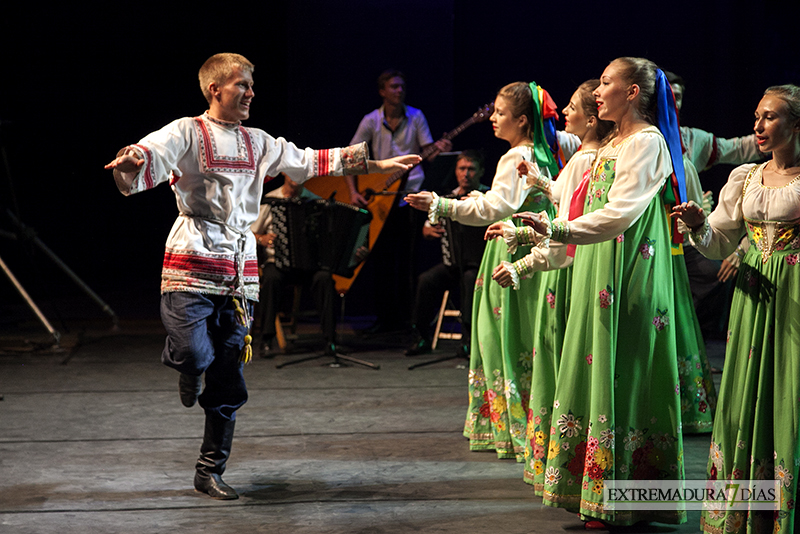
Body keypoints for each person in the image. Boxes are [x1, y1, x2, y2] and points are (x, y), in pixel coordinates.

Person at [104, 53, 419, 501]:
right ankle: (187, 365)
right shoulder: (187, 131)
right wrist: (133, 158)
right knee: (195, 353)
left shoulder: (259, 141)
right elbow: (150, 154)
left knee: (229, 371)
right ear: (215, 89)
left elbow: (308, 162)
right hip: (192, 257)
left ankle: (209, 469)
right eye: (242, 85)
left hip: (238, 266)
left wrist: (377, 164)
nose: (251, 92)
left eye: (252, 86)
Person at [512, 58, 688, 527]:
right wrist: (548, 224)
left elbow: (620, 212)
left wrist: (558, 227)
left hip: (627, 270)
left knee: (624, 371)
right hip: (596, 267)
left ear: (632, 92)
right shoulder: (611, 144)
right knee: (597, 368)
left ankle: (626, 497)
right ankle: (596, 491)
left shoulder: (647, 143)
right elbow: (583, 200)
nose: (597, 92)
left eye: (606, 83)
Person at [406, 81, 579, 461]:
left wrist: (441, 204)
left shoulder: (515, 155)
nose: (493, 120)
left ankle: (513, 428)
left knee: (504, 339)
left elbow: (495, 209)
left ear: (521, 119)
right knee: (536, 339)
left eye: (500, 113)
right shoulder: (555, 148)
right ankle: (543, 423)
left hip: (513, 250)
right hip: (543, 251)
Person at [673, 84, 800, 534]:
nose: (758, 126)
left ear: (796, 124)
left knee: (790, 389)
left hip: (794, 296)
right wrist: (696, 226)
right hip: (752, 297)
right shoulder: (745, 177)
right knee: (747, 389)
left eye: (770, 117)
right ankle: (750, 505)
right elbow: (719, 241)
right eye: (757, 117)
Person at [487, 79, 615, 489]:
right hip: (580, 264)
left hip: (579, 271)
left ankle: (579, 468)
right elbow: (567, 212)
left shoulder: (588, 158)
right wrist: (541, 185)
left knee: (565, 360)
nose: (563, 114)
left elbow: (567, 233)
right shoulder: (588, 156)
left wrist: (523, 259)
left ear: (593, 117)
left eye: (573, 108)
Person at [346, 70, 452, 333]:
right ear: (382, 91)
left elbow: (428, 153)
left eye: (402, 86)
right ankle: (384, 318)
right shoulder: (371, 120)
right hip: (381, 198)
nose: (399, 91)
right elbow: (349, 157)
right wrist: (352, 192)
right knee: (381, 259)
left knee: (408, 260)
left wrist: (439, 150)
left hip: (410, 197)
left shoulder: (416, 116)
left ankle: (408, 319)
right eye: (393, 87)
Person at [405, 150, 489, 357]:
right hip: (453, 263)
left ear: (480, 172)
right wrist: (428, 230)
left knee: (470, 280)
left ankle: (468, 341)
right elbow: (428, 225)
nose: (466, 174)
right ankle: (421, 337)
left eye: (471, 169)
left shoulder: (488, 197)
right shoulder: (447, 198)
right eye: (462, 169)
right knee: (426, 280)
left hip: (480, 265)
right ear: (456, 171)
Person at [251, 175, 337, 357]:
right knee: (271, 279)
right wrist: (262, 239)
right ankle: (266, 339)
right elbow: (249, 232)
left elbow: (328, 237)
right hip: (278, 262)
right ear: (284, 173)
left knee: (324, 278)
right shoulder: (270, 200)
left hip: (309, 265)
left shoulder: (315, 202)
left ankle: (330, 339)